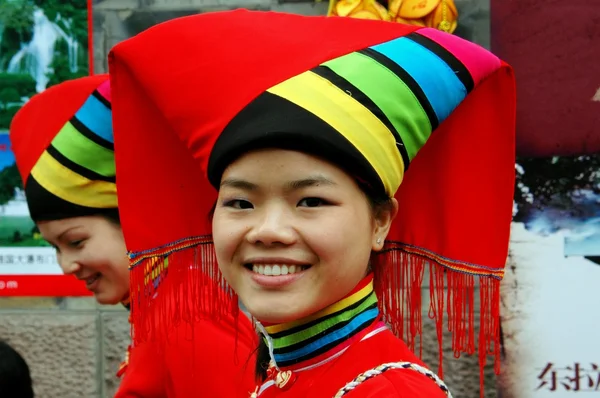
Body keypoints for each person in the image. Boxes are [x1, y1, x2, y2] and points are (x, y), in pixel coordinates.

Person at [108, 10, 515, 396]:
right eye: (240, 203)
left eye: (311, 200)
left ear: (380, 222)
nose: (268, 230)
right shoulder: (286, 375)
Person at [9, 75, 257, 397]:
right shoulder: (161, 308)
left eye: (75, 242)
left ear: (133, 222)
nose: (66, 265)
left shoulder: (187, 317)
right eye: (55, 247)